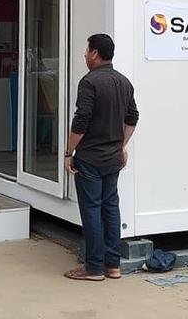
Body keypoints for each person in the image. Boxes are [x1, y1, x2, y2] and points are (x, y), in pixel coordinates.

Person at [63, 33, 139, 281]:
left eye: (87, 51)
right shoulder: (124, 82)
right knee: (110, 208)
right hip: (112, 159)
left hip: (90, 158)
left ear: (95, 53)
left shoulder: (89, 82)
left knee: (92, 210)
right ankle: (113, 265)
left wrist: (69, 152)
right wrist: (121, 145)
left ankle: (94, 267)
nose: (85, 55)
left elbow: (81, 120)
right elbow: (132, 117)